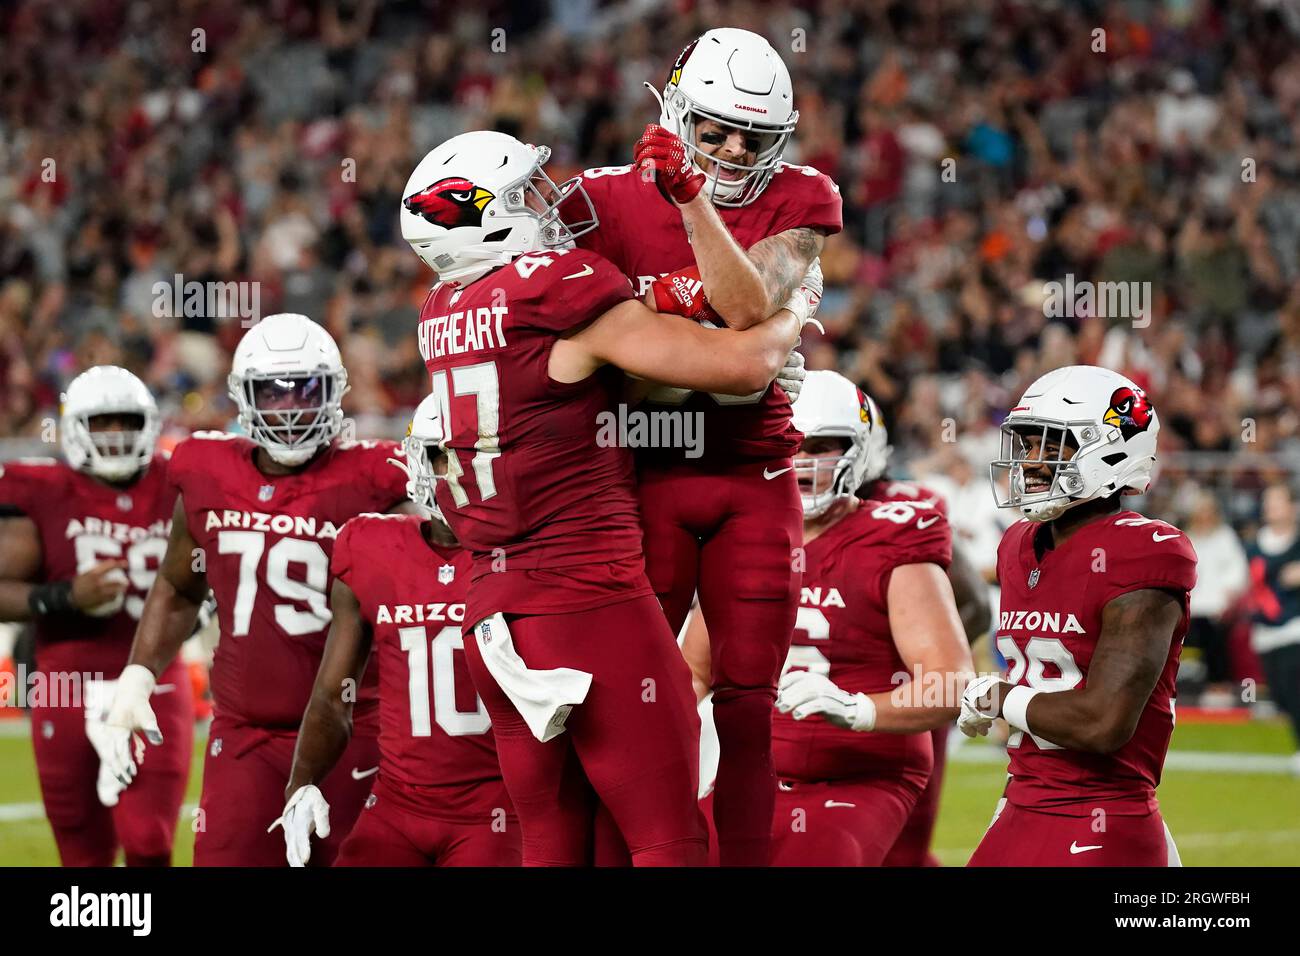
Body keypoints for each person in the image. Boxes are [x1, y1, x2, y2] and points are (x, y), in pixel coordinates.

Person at [400, 128, 801, 866]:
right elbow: (744, 366)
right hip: (588, 598)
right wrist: (790, 313)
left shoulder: (441, 310)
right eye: (526, 193)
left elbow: (577, 381)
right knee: (668, 839)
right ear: (480, 216)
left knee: (555, 843)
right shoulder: (555, 285)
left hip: (492, 606)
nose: (550, 203)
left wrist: (663, 319)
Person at [574, 26, 843, 866]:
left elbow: (738, 309)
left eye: (752, 137)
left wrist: (692, 200)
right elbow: (573, 343)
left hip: (750, 474)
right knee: (628, 699)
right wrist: (749, 350)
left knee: (747, 702)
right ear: (675, 113)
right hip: (641, 472)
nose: (730, 150)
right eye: (715, 130)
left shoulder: (804, 196)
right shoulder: (602, 198)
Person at [101, 313, 411, 866]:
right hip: (244, 734)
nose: (289, 409)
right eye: (272, 392)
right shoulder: (206, 470)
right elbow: (178, 585)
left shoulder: (378, 478)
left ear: (334, 392)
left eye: (305, 391)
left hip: (355, 732)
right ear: (244, 396)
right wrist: (138, 673)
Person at [682, 371, 972, 865]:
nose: (803, 461)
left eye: (822, 445)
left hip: (861, 773)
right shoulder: (743, 534)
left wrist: (858, 709)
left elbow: (951, 684)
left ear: (857, 450)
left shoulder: (893, 537)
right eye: (791, 444)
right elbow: (694, 673)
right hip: (752, 770)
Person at [961, 365, 1197, 866]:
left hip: (1103, 814)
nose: (1030, 462)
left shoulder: (1144, 551)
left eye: (1050, 445)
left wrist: (1000, 697)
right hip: (1023, 803)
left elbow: (1103, 724)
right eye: (1025, 445)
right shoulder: (1016, 544)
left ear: (1110, 449)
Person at [273, 399, 519, 867]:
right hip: (398, 803)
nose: (457, 474)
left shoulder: (527, 553)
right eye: (443, 457)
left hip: (496, 805)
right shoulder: (370, 547)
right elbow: (332, 694)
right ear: (416, 461)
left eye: (472, 457)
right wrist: (301, 783)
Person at [0, 366, 192, 866]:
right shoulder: (39, 486)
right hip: (66, 681)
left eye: (125, 422)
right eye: (102, 423)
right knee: (82, 854)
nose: (115, 435)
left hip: (153, 678)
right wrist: (65, 596)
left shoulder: (179, 482)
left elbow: (216, 570)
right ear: (74, 427)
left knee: (150, 844)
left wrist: (201, 603)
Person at [1245, 482, 1300, 775]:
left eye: (1277, 501)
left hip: (1295, 628)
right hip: (1267, 632)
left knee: (1295, 691)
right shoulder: (1255, 545)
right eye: (1268, 502)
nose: (1271, 507)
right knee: (1280, 696)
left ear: (1292, 507)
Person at [1182, 489, 1248, 704]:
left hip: (1216, 605)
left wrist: (1230, 591)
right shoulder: (1187, 537)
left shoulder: (1224, 536)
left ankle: (1218, 687)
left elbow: (1237, 568)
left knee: (1216, 646)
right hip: (1192, 603)